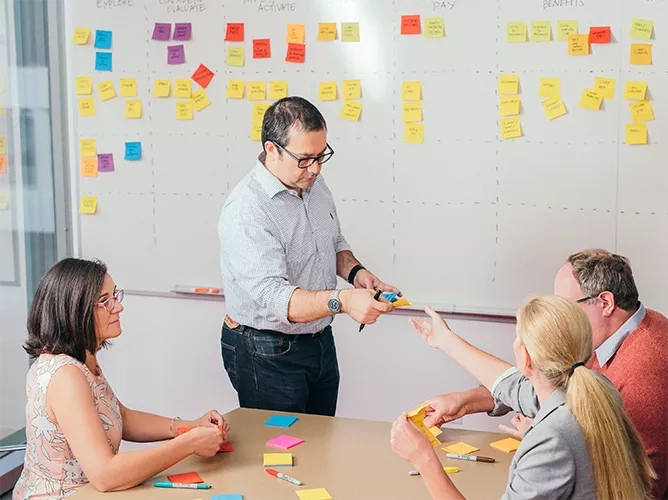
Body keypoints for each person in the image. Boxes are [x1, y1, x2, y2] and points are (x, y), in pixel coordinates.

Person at [413, 249, 668, 499]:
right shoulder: (608, 339)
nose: (558, 316)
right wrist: (468, 398)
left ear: (605, 303)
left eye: (565, 305)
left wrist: (548, 442)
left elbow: (644, 487)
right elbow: (548, 386)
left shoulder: (647, 368)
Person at [218, 96, 398, 417]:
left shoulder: (311, 180)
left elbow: (333, 241)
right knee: (280, 453)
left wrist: (358, 275)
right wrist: (344, 301)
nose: (315, 168)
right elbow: (276, 299)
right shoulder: (247, 210)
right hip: (266, 349)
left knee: (320, 442)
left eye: (321, 156)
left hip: (318, 339)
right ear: (272, 150)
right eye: (305, 158)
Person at [13, 258, 230, 499]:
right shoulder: (66, 376)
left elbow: (120, 417)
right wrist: (188, 444)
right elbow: (105, 475)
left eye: (115, 295)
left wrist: (189, 427)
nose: (118, 307)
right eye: (105, 301)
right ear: (75, 310)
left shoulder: (81, 360)